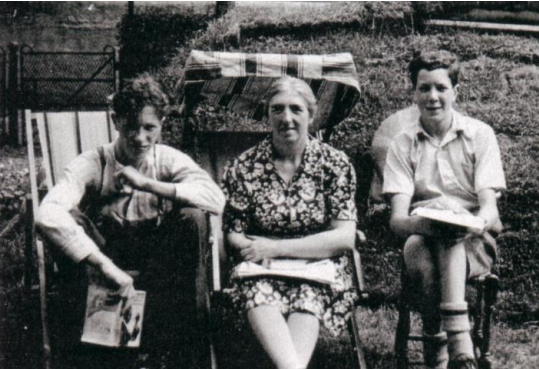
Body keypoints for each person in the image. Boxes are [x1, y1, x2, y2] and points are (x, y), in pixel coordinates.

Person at [36, 74, 225, 368]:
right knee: (70, 217)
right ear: (116, 121)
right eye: (131, 127)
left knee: (194, 217)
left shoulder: (166, 160)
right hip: (103, 265)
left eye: (150, 128)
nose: (140, 138)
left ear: (161, 125)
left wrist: (149, 184)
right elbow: (47, 213)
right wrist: (104, 265)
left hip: (159, 266)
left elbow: (215, 198)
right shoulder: (94, 162)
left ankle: (186, 349)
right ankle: (84, 349)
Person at [221, 76, 359, 369]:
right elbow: (233, 233)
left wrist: (274, 248)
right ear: (267, 114)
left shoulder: (335, 165)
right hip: (262, 270)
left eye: (296, 109)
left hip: (318, 269)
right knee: (258, 293)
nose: (286, 118)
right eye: (277, 109)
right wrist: (255, 250)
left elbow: (344, 237)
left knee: (309, 296)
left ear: (312, 114)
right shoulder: (244, 166)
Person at [383, 50, 506, 369]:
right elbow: (398, 220)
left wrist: (467, 222)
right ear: (414, 93)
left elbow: (489, 209)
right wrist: (431, 221)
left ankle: (436, 358)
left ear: (456, 92)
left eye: (441, 87)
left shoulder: (480, 135)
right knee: (426, 244)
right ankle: (461, 345)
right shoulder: (402, 143)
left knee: (448, 237)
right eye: (424, 88)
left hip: (474, 243)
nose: (432, 97)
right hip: (419, 236)